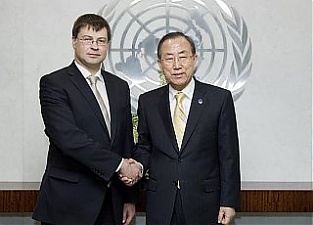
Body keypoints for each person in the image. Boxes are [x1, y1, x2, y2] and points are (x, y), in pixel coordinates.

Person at [32, 14, 142, 225]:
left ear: (107, 45)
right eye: (87, 39)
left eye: (101, 41)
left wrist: (129, 197)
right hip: (69, 202)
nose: (94, 46)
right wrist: (120, 165)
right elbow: (68, 139)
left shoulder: (119, 87)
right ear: (74, 41)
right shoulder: (54, 83)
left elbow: (125, 140)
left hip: (113, 203)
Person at [132, 32, 241, 225]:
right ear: (159, 63)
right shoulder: (148, 102)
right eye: (169, 58)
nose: (177, 65)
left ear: (194, 59)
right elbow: (145, 147)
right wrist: (137, 167)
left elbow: (229, 155)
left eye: (182, 57)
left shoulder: (219, 99)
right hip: (161, 201)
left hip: (205, 202)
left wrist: (229, 201)